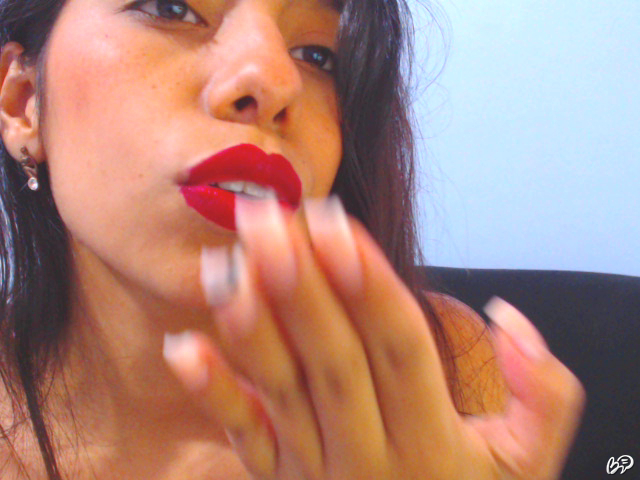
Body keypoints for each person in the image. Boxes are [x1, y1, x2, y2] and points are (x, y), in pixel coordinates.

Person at [0, 0, 584, 478]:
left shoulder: (443, 369)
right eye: (171, 8)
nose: (277, 82)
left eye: (316, 54)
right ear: (23, 103)